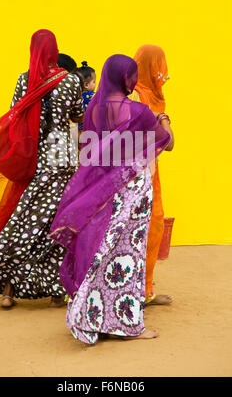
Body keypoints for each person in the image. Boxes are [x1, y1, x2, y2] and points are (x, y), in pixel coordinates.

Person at [0, 29, 84, 308]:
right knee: (60, 221)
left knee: (21, 221)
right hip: (61, 156)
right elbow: (76, 116)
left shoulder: (24, 80)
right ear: (54, 50)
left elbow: (14, 115)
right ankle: (57, 292)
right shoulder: (71, 81)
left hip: (30, 157)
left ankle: (8, 291)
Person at [48, 54, 172, 345]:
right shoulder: (139, 112)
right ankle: (128, 323)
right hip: (132, 190)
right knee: (128, 253)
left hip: (104, 192)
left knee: (102, 249)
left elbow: (92, 149)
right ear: (127, 78)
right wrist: (164, 121)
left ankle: (93, 315)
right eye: (133, 75)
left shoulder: (94, 109)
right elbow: (167, 143)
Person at [130, 44, 174, 305]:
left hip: (151, 170)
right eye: (161, 67)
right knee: (139, 227)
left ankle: (146, 288)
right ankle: (132, 291)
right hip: (136, 173)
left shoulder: (154, 96)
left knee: (154, 223)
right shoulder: (136, 94)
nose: (166, 75)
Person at [75, 61, 96, 131]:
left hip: (78, 125)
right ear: (86, 85)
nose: (95, 84)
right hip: (90, 125)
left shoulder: (75, 95)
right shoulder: (92, 95)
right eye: (94, 82)